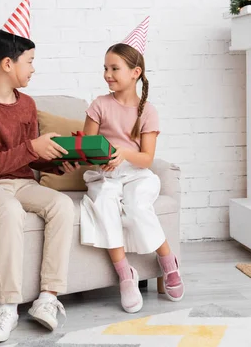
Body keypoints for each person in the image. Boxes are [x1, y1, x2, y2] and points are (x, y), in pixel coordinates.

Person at [0, 0, 79, 343]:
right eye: (29, 61)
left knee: (61, 204)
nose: (33, 68)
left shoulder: (27, 104)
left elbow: (29, 157)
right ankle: (8, 307)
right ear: (7, 64)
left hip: (22, 182)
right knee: (10, 211)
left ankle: (48, 298)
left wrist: (55, 162)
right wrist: (31, 148)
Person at [80, 17, 185, 314]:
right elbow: (88, 148)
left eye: (114, 68)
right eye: (105, 68)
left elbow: (147, 158)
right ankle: (125, 273)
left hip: (137, 174)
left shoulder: (147, 111)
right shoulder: (99, 104)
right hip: (106, 175)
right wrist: (101, 158)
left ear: (135, 72)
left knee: (138, 205)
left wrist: (124, 154)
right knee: (103, 203)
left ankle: (167, 260)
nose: (107, 74)